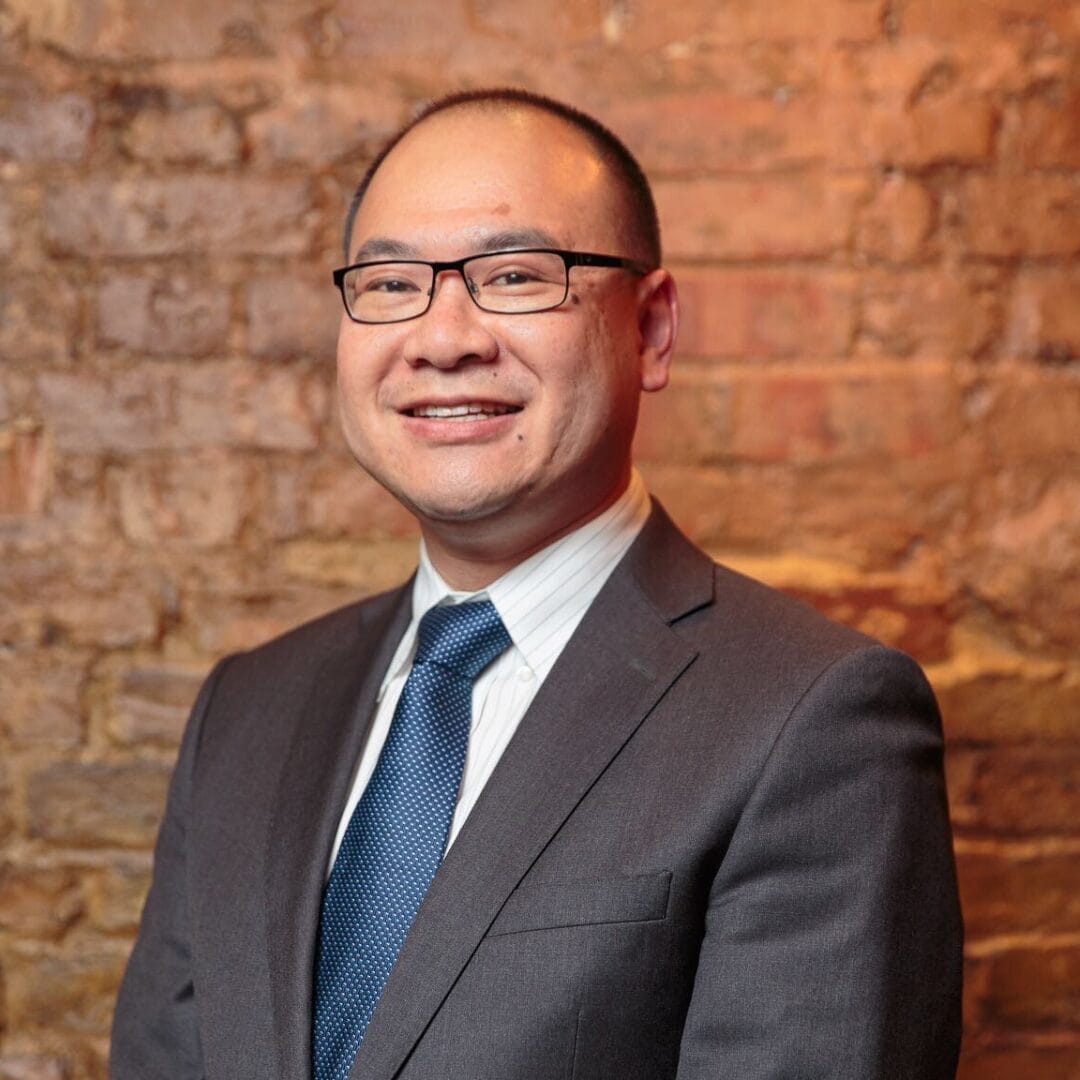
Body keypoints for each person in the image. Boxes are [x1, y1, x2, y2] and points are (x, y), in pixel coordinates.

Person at [110, 88, 963, 1080]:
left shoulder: (813, 718)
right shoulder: (247, 710)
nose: (442, 339)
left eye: (515, 276)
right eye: (391, 283)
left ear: (651, 330)